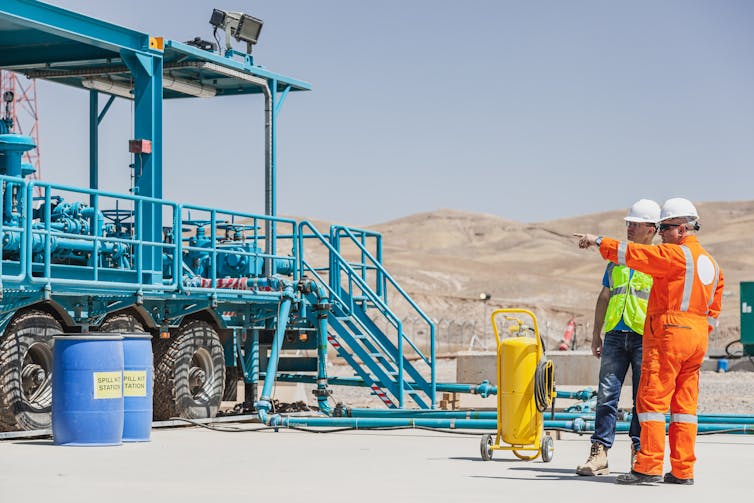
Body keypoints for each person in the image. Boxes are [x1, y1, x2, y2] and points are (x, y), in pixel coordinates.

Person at [575, 197, 724, 485]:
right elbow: (714, 308)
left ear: (681, 229)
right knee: (684, 408)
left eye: (665, 228)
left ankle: (648, 465)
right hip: (696, 340)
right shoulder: (711, 263)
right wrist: (699, 331)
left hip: (670, 336)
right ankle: (683, 471)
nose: (661, 233)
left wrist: (597, 241)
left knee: (651, 402)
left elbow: (632, 255)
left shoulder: (674, 255)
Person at [576, 199, 660, 477]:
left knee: (642, 398)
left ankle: (640, 452)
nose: (629, 228)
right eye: (628, 223)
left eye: (634, 224)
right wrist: (595, 334)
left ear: (651, 229)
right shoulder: (617, 260)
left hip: (644, 337)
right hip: (614, 335)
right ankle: (599, 453)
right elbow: (605, 295)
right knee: (606, 396)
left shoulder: (659, 260)